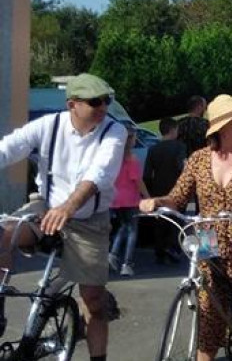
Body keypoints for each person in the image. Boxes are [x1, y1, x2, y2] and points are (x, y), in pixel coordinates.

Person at [140, 95, 232, 361]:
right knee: (209, 319)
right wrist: (157, 201)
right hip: (207, 240)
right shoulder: (198, 160)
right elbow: (177, 197)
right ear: (219, 127)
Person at [0, 73, 126, 361]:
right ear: (73, 105)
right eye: (96, 102)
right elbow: (9, 148)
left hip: (89, 220)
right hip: (45, 210)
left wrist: (68, 207)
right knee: (2, 234)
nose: (104, 107)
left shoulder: (114, 132)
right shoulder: (49, 126)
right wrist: (56, 209)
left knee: (93, 300)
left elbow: (100, 173)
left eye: (107, 100)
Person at [143, 116, 187, 265]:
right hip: (176, 187)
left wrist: (149, 192)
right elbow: (181, 166)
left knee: (160, 220)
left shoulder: (153, 149)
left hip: (158, 188)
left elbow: (147, 173)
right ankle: (174, 247)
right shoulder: (179, 146)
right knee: (177, 219)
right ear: (173, 130)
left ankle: (159, 250)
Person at [108, 126, 150, 277]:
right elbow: (138, 181)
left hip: (116, 198)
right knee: (132, 231)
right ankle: (127, 263)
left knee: (122, 227)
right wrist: (147, 197)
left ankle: (113, 254)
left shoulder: (115, 158)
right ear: (130, 140)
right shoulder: (132, 159)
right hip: (131, 199)